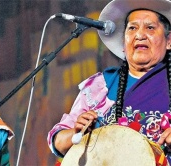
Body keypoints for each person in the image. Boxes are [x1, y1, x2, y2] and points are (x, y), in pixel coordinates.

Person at [47, 0, 171, 164]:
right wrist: (76, 132)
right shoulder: (100, 86)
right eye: (132, 28)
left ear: (169, 41)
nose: (139, 35)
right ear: (123, 44)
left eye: (150, 28)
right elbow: (58, 142)